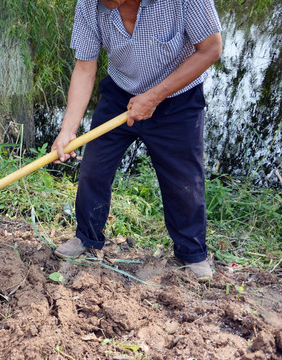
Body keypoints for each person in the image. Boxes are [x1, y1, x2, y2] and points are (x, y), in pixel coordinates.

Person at [51, 0, 223, 282]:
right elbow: (85, 67)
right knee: (94, 168)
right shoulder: (89, 4)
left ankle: (191, 253)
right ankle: (87, 238)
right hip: (121, 94)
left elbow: (211, 49)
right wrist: (68, 129)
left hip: (177, 99)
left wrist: (155, 96)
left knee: (184, 182)